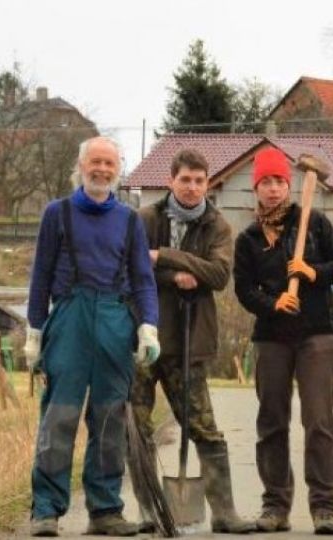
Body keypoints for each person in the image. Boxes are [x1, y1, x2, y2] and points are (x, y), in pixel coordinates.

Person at [24, 137, 160, 537]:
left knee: (109, 420)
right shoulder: (57, 213)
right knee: (59, 416)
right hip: (69, 319)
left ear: (119, 170)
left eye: (110, 163)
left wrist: (147, 326)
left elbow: (143, 280)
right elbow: (40, 276)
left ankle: (105, 511)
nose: (102, 169)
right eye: (95, 162)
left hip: (115, 323)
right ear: (81, 167)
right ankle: (46, 510)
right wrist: (35, 331)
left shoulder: (130, 219)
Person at [130, 149, 256, 534]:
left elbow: (218, 275)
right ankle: (150, 511)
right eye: (185, 179)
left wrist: (164, 257)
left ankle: (224, 511)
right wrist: (176, 276)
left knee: (203, 427)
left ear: (207, 183)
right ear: (172, 180)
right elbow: (131, 267)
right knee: (136, 428)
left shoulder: (216, 225)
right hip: (144, 336)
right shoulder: (144, 219)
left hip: (189, 339)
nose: (192, 187)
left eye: (199, 180)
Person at [232, 147, 333, 535]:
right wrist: (273, 302)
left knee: (318, 421)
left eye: (279, 181)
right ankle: (276, 506)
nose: (272, 189)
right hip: (272, 338)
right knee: (271, 421)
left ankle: (324, 507)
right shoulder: (249, 238)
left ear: (289, 184)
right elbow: (244, 290)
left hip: (316, 333)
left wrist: (311, 272)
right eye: (265, 182)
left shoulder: (312, 222)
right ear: (256, 188)